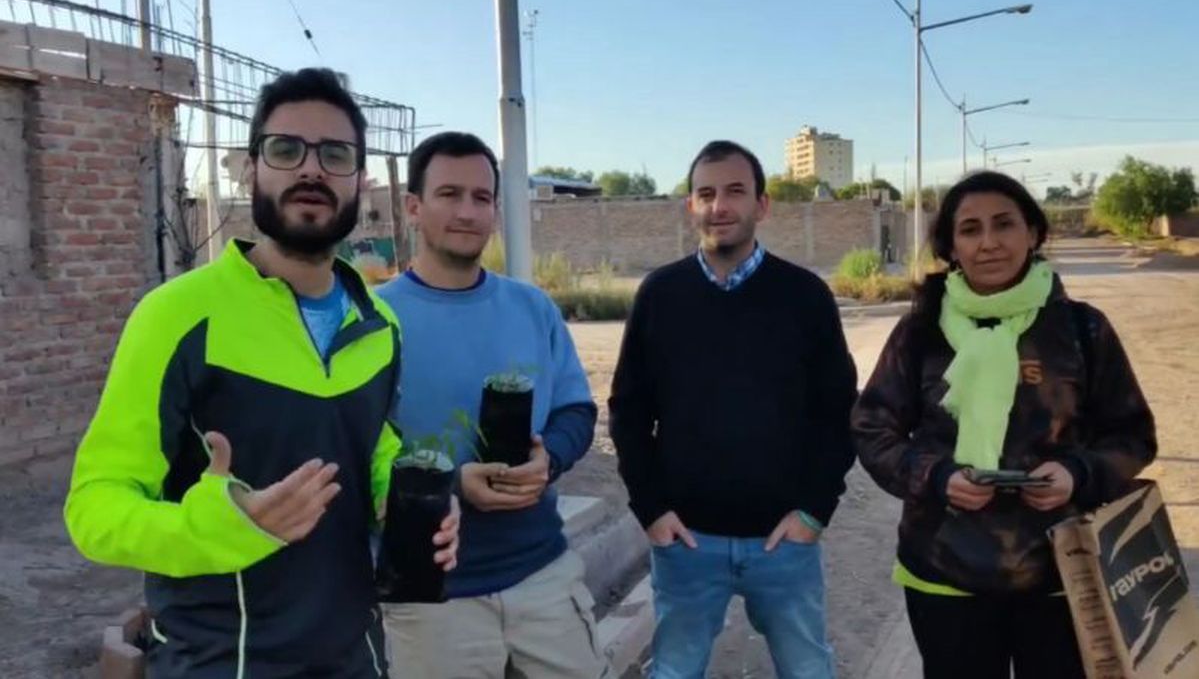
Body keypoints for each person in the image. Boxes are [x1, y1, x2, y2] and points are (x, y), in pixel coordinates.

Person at [63, 67, 459, 678]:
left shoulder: (379, 323)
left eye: (335, 154)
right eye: (285, 149)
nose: (311, 169)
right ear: (251, 170)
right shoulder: (174, 317)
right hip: (223, 663)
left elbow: (375, 446)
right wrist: (219, 524)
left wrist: (409, 503)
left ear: (360, 178)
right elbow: (94, 511)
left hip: (358, 656)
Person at [851, 170, 1157, 679]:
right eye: (970, 229)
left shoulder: (1083, 329)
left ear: (1033, 232)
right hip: (943, 570)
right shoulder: (920, 331)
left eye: (1004, 224)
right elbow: (872, 428)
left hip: (1063, 570)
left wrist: (1076, 474)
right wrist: (937, 476)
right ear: (951, 244)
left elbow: (1132, 435)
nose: (988, 242)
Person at [608, 140, 857, 679]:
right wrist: (651, 511)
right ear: (690, 206)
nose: (719, 205)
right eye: (706, 193)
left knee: (808, 669)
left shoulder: (805, 296)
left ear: (762, 205)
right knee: (673, 670)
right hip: (686, 545)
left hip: (784, 546)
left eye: (735, 192)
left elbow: (838, 415)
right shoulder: (660, 294)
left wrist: (814, 510)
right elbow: (628, 411)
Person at [377, 131, 610, 678]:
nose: (467, 211)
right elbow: (351, 448)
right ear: (413, 207)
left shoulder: (533, 308)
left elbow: (576, 411)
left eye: (482, 198)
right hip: (430, 592)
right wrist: (453, 485)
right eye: (449, 194)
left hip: (542, 575)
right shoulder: (372, 320)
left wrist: (547, 459)